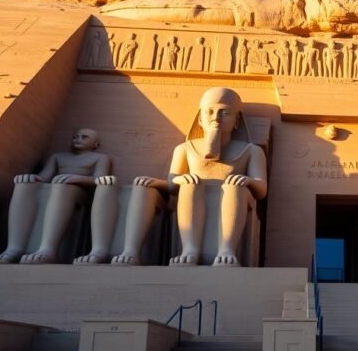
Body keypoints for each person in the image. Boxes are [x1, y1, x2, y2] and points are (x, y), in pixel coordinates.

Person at [112, 87, 267, 266]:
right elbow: (173, 182)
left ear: (236, 121)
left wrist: (248, 180)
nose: (216, 118)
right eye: (209, 112)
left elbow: (261, 188)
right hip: (192, 193)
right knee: (190, 185)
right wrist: (179, 179)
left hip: (233, 194)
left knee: (232, 187)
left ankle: (226, 249)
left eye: (224, 113)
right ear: (200, 119)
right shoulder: (185, 148)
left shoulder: (251, 151)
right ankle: (189, 249)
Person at [0, 129, 112, 264]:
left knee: (62, 186)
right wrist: (31, 178)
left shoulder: (100, 158)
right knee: (24, 185)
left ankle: (48, 249)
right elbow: (44, 176)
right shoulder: (57, 157)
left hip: (79, 192)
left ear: (95, 144)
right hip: (58, 186)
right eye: (76, 137)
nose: (78, 139)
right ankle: (14, 248)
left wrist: (76, 178)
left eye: (84, 137)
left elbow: (99, 179)